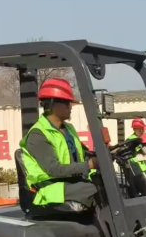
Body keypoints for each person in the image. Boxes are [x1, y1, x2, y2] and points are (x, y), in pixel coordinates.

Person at [19, 78, 99, 209]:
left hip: (69, 183)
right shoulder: (38, 134)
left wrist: (109, 153)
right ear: (52, 104)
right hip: (49, 188)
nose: (70, 107)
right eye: (67, 103)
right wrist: (89, 165)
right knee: (97, 190)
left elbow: (84, 154)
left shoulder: (68, 129)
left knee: (110, 185)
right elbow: (54, 169)